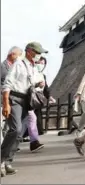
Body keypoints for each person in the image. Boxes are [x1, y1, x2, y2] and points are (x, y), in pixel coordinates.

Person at [1, 42, 48, 177]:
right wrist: (6, 103)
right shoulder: (18, 64)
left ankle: (8, 161)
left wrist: (40, 84)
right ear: (29, 52)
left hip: (27, 101)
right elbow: (7, 84)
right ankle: (1, 159)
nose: (39, 55)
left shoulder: (34, 68)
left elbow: (36, 85)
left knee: (20, 133)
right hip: (15, 99)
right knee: (15, 129)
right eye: (37, 52)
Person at [1, 47, 23, 142]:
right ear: (12, 54)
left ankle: (7, 144)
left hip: (11, 100)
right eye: (19, 55)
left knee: (9, 125)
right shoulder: (2, 66)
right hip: (2, 99)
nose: (20, 58)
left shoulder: (15, 67)